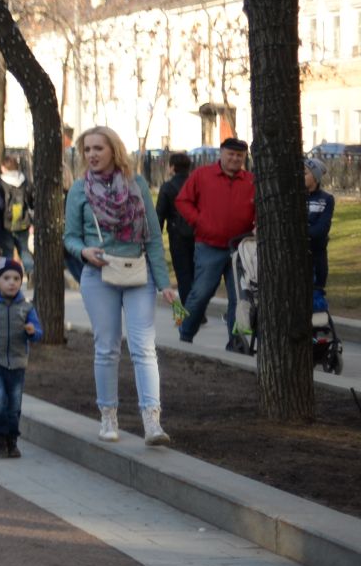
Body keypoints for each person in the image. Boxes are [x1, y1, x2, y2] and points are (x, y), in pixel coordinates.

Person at [65, 126, 178, 446]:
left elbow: (153, 238)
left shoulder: (137, 185)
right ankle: (108, 417)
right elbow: (70, 237)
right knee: (107, 348)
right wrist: (84, 251)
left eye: (98, 148)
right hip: (98, 277)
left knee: (144, 348)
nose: (92, 155)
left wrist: (163, 282)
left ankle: (152, 422)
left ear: (114, 150)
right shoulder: (79, 190)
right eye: (87, 150)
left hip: (137, 275)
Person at [175, 137, 256, 347]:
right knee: (199, 294)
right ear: (221, 153)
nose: (235, 159)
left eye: (240, 155)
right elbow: (182, 201)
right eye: (231, 154)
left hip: (240, 250)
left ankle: (237, 342)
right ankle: (184, 333)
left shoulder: (251, 181)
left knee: (239, 299)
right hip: (208, 245)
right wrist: (199, 221)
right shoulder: (202, 175)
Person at [0, 256, 40, 458]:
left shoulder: (26, 307)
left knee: (14, 407)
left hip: (17, 365)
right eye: (6, 278)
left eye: (16, 278)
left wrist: (31, 331)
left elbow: (38, 333)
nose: (11, 282)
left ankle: (12, 440)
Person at [156, 151, 197, 311]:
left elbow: (159, 213)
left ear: (172, 167)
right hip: (197, 232)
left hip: (177, 233)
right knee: (196, 272)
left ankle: (190, 311)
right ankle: (198, 309)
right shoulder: (195, 184)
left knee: (183, 274)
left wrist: (155, 237)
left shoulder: (168, 187)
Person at [306, 157, 334, 299]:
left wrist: (303, 232)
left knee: (316, 299)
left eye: (305, 173)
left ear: (315, 177)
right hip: (296, 258)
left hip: (317, 257)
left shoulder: (327, 199)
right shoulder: (293, 198)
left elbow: (321, 230)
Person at [0, 156, 31, 263]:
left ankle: (6, 276)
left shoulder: (1, 183)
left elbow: (0, 204)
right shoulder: (24, 181)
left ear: (4, 167)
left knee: (7, 253)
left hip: (6, 224)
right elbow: (30, 200)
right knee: (25, 252)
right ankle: (32, 275)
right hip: (23, 223)